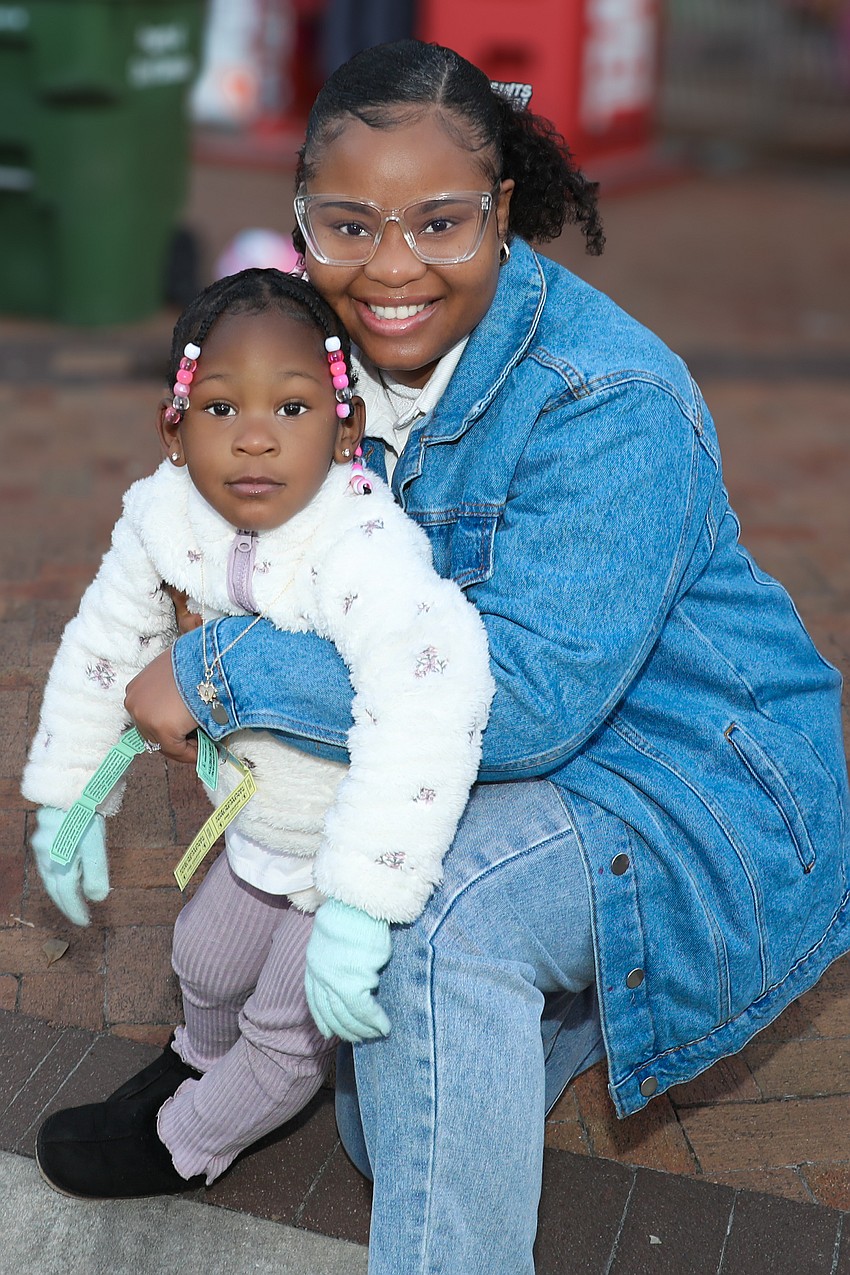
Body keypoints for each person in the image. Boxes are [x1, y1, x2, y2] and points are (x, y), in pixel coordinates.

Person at [49, 38, 850, 1273]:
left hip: (682, 771)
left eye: (439, 223)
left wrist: (221, 675)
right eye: (349, 225)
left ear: (503, 212)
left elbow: (526, 709)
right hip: (472, 740)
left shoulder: (606, 396)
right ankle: (363, 1032)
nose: (392, 267)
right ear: (301, 219)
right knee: (391, 1127)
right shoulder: (316, 350)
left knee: (433, 920)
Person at [24, 267, 493, 1197]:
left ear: (345, 426)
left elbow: (430, 707)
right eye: (221, 407)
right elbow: (105, 645)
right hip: (255, 826)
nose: (253, 436)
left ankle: (189, 1139)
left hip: (341, 851)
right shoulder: (164, 515)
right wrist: (66, 797)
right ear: (173, 426)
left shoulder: (361, 549)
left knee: (286, 1029)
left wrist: (363, 902)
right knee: (199, 956)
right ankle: (196, 1056)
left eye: (291, 406)